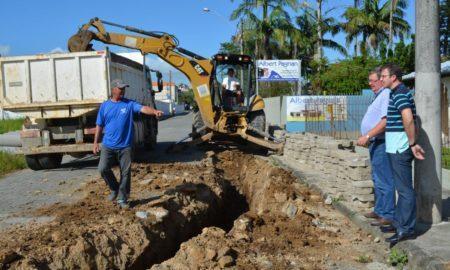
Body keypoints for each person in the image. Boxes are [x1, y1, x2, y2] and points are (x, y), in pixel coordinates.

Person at [94, 79, 163, 209]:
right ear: (113, 89)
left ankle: (122, 198)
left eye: (124, 88)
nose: (123, 91)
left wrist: (154, 112)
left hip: (125, 146)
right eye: (120, 88)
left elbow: (143, 108)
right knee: (102, 168)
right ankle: (114, 188)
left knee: (125, 173)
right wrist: (95, 142)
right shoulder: (105, 106)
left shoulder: (129, 104)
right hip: (108, 145)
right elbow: (99, 125)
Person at [379, 63, 425, 245]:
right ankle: (399, 223)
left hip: (400, 148)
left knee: (405, 191)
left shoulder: (400, 93)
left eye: (383, 76)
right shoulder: (395, 93)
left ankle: (406, 229)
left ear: (393, 77)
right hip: (395, 148)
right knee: (401, 189)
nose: (381, 79)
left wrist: (412, 143)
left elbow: (408, 118)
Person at [357, 67, 395, 228]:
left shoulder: (385, 94)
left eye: (373, 80)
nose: (370, 83)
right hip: (375, 142)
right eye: (370, 80)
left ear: (381, 80)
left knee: (384, 178)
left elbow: (385, 121)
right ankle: (379, 210)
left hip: (381, 141)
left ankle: (387, 214)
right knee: (377, 177)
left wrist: (368, 135)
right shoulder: (378, 96)